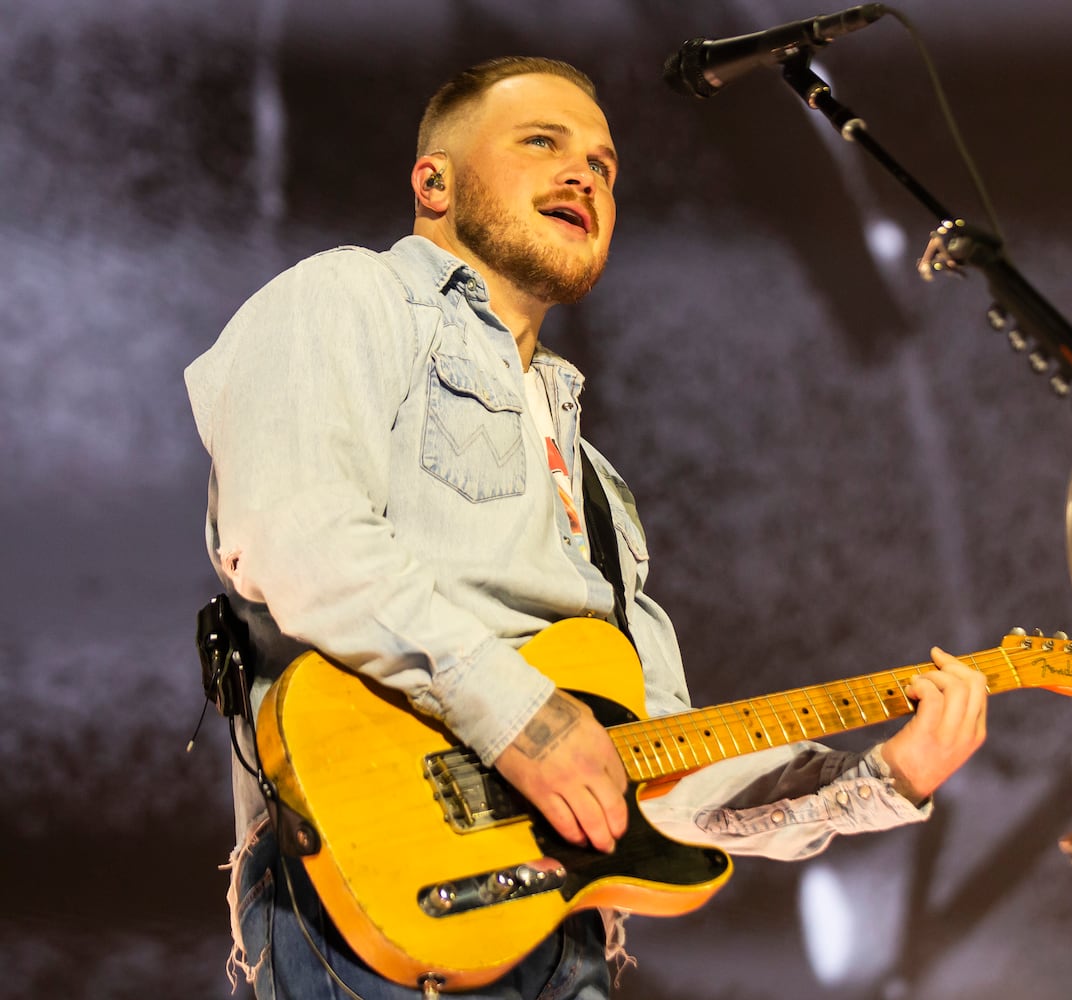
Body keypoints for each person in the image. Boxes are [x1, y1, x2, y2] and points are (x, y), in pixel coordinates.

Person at [185, 56, 988, 1000]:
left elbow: (662, 758)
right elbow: (296, 534)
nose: (584, 177)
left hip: (564, 937)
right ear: (432, 182)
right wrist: (522, 719)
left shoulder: (597, 484)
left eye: (605, 167)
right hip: (371, 914)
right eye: (542, 144)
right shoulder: (344, 300)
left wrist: (881, 780)